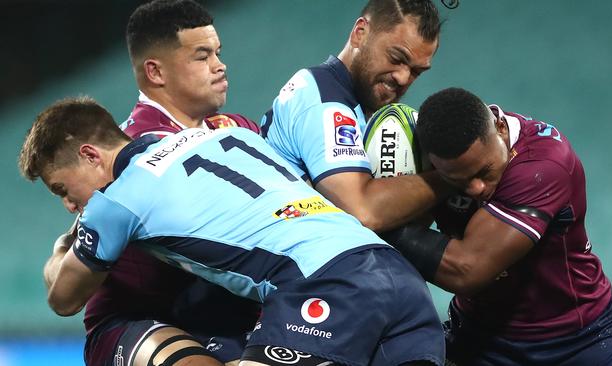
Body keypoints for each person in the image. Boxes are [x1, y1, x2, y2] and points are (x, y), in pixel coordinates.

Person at [19, 96, 446, 366]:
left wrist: (61, 250)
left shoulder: (117, 201)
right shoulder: (217, 135)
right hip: (398, 277)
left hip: (324, 285)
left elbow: (64, 298)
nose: (71, 204)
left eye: (62, 188)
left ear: (91, 154)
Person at [42, 1, 259, 365]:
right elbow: (65, 290)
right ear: (156, 72)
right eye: (201, 56)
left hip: (219, 315)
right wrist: (63, 248)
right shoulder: (130, 153)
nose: (219, 66)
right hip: (135, 322)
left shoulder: (236, 129)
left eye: (218, 53)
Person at [388, 87, 612, 365]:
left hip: (577, 341)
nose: (476, 189)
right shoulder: (429, 158)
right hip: (479, 338)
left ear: (499, 128)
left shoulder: (544, 163)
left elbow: (468, 268)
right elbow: (367, 204)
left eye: (484, 172)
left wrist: (386, 227)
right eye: (457, 179)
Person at [261, 0, 450, 232]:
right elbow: (363, 211)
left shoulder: (362, 106)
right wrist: (453, 176)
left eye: (416, 71)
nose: (403, 77)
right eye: (397, 58)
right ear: (360, 33)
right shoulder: (325, 101)